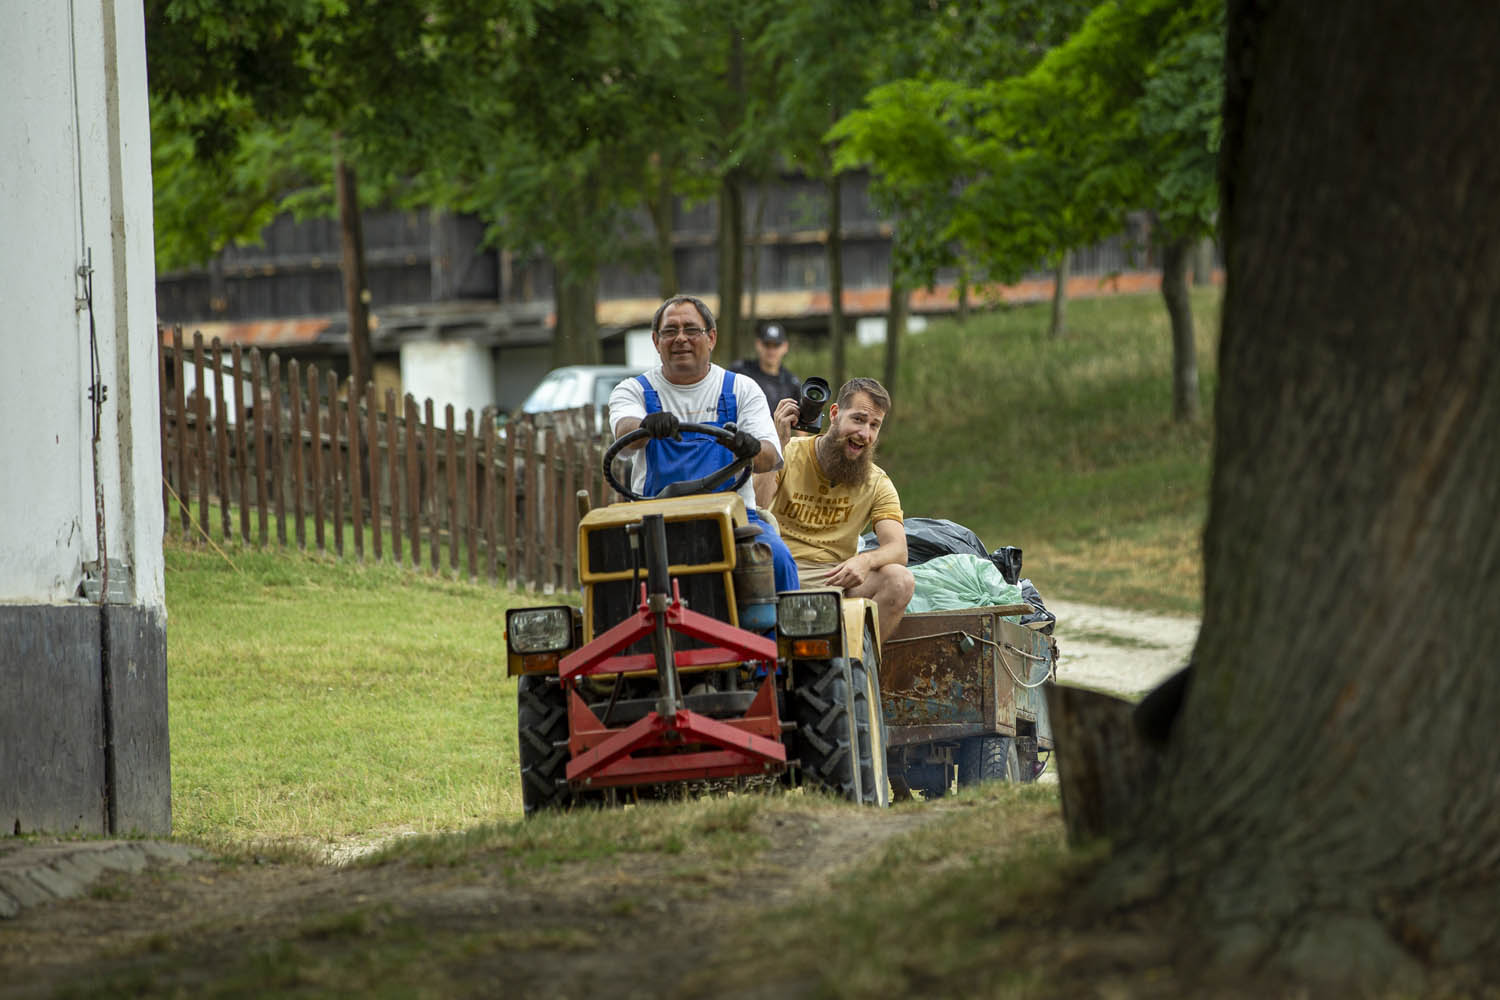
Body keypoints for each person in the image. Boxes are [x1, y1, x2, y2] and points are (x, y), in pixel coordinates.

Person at [608, 295, 799, 592]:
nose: (680, 338)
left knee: (779, 561)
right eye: (670, 331)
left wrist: (750, 448)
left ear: (711, 338)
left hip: (735, 521)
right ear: (656, 341)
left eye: (691, 330)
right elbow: (624, 434)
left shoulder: (741, 388)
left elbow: (770, 456)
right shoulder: (634, 391)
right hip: (656, 522)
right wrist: (645, 427)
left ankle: (781, 639)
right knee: (606, 568)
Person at [763, 377, 914, 640]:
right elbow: (756, 507)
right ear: (834, 414)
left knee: (900, 580)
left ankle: (858, 668)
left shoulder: (877, 481)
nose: (865, 434)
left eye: (874, 425)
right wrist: (776, 445)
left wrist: (865, 560)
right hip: (780, 570)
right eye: (858, 419)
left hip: (836, 578)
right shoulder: (788, 451)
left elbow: (898, 549)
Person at [730, 323, 801, 411]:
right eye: (767, 345)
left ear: (785, 347)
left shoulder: (791, 383)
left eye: (776, 345)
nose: (771, 351)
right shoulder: (741, 371)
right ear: (758, 344)